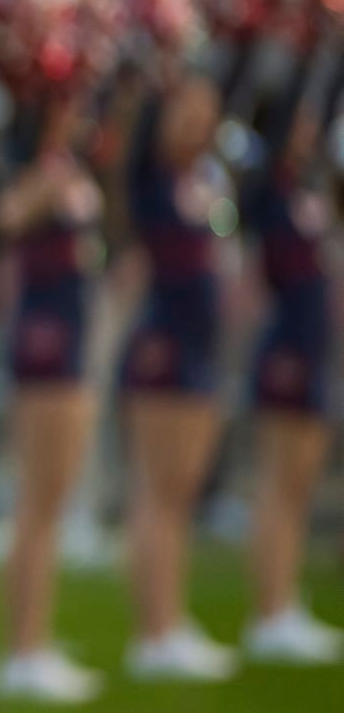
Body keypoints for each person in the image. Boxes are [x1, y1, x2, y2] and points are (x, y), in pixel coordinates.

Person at [118, 73, 238, 680]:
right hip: (164, 345)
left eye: (206, 111)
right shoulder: (149, 176)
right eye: (186, 111)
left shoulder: (204, 177)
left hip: (200, 347)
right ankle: (152, 630)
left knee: (183, 491)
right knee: (159, 490)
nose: (199, 123)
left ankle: (173, 617)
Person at [0, 92, 106, 703]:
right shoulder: (35, 170)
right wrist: (42, 188)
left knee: (52, 502)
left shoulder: (74, 166)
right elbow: (2, 220)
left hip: (73, 342)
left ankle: (37, 639)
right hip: (46, 347)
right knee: (38, 501)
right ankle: (21, 650)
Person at [238, 68, 342, 664]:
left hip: (312, 343)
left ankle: (288, 600)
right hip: (283, 344)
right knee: (279, 482)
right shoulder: (267, 192)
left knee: (300, 481)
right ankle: (268, 608)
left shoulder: (307, 188)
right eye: (297, 121)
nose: (307, 129)